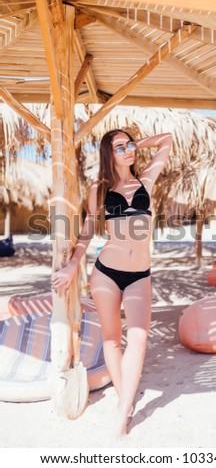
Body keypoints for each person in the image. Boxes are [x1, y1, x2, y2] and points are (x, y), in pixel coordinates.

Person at [51, 128, 172, 438]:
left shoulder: (146, 179)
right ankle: (125, 403)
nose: (128, 150)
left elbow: (168, 139)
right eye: (120, 147)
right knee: (112, 340)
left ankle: (122, 408)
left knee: (140, 337)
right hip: (106, 273)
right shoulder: (99, 189)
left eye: (129, 145)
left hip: (139, 275)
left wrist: (134, 145)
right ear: (108, 153)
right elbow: (89, 231)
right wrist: (73, 265)